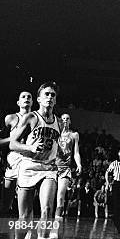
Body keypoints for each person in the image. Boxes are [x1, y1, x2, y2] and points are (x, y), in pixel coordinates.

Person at [9, 82, 61, 239]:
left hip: (48, 169)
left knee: (46, 209)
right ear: (39, 99)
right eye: (47, 94)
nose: (50, 97)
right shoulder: (31, 117)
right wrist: (30, 148)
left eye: (53, 95)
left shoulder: (58, 121)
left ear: (56, 100)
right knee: (24, 218)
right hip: (29, 167)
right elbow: (12, 143)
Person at [1, 91, 33, 215]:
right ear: (18, 102)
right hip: (13, 158)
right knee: (6, 202)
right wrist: (13, 138)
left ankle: (26, 232)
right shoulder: (10, 118)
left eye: (29, 97)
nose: (26, 98)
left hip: (29, 158)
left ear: (32, 102)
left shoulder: (35, 118)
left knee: (25, 204)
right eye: (23, 97)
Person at [55, 113, 82, 218]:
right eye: (63, 119)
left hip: (65, 168)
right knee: (49, 197)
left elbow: (76, 153)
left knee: (60, 196)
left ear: (70, 121)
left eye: (67, 119)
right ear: (60, 121)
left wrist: (79, 164)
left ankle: (56, 223)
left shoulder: (74, 135)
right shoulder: (55, 134)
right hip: (52, 168)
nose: (65, 120)